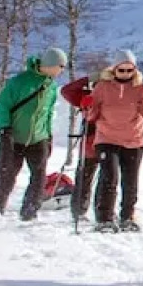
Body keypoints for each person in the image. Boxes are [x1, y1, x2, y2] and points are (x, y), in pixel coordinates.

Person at [85, 50, 143, 232]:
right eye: (122, 70)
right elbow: (92, 114)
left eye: (130, 70)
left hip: (133, 140)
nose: (126, 74)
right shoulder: (103, 87)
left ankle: (127, 217)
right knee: (109, 177)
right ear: (114, 69)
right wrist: (87, 105)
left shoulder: (140, 88)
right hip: (107, 138)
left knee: (130, 181)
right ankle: (104, 218)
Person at [0, 47, 68, 220]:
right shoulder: (19, 82)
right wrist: (5, 128)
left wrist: (48, 136)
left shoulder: (51, 86)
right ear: (52, 64)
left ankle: (30, 211)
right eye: (61, 67)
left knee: (38, 177)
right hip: (14, 138)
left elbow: (47, 113)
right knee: (6, 176)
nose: (62, 71)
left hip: (39, 139)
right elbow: (3, 106)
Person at [60, 74, 100, 222]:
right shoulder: (87, 96)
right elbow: (66, 91)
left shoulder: (88, 96)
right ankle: (80, 211)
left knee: (95, 178)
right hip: (93, 142)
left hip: (99, 142)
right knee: (89, 178)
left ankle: (85, 211)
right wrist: (87, 80)